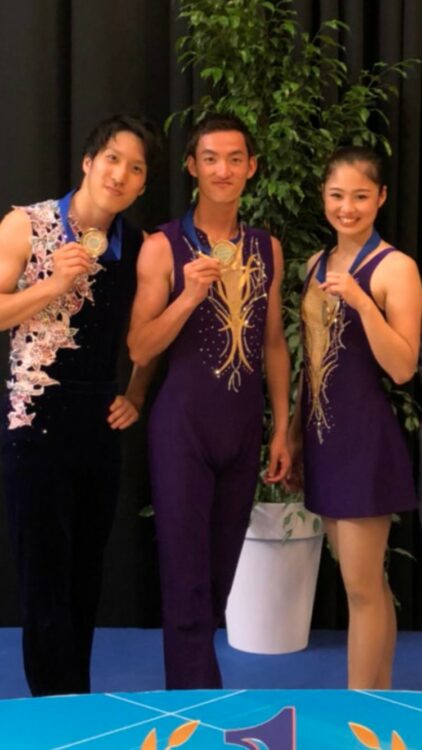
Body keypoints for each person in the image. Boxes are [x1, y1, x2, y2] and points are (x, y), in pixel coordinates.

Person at [128, 112, 291, 689]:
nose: (224, 170)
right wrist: (188, 296)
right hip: (182, 429)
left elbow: (274, 343)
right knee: (185, 580)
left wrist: (281, 428)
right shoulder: (162, 247)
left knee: (218, 579)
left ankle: (200, 694)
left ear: (252, 168)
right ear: (192, 167)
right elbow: (139, 345)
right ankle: (196, 705)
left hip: (242, 429)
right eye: (212, 159)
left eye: (235, 159)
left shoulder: (267, 248)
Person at [0, 114, 159, 696]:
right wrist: (51, 285)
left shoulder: (138, 246)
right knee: (43, 575)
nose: (120, 174)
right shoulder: (27, 223)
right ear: (89, 162)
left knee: (85, 574)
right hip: (34, 419)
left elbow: (147, 336)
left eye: (135, 168)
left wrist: (135, 393)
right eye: (112, 159)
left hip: (97, 424)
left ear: (142, 185)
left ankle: (77, 701)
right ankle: (52, 708)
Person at [288, 145, 422, 689]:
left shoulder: (397, 268)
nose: (347, 207)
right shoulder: (315, 264)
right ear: (323, 196)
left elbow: (404, 366)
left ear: (381, 198)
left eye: (361, 196)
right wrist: (293, 436)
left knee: (362, 587)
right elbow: (311, 360)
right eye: (337, 195)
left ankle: (362, 706)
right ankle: (376, 697)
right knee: (361, 583)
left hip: (364, 438)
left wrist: (364, 303)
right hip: (323, 437)